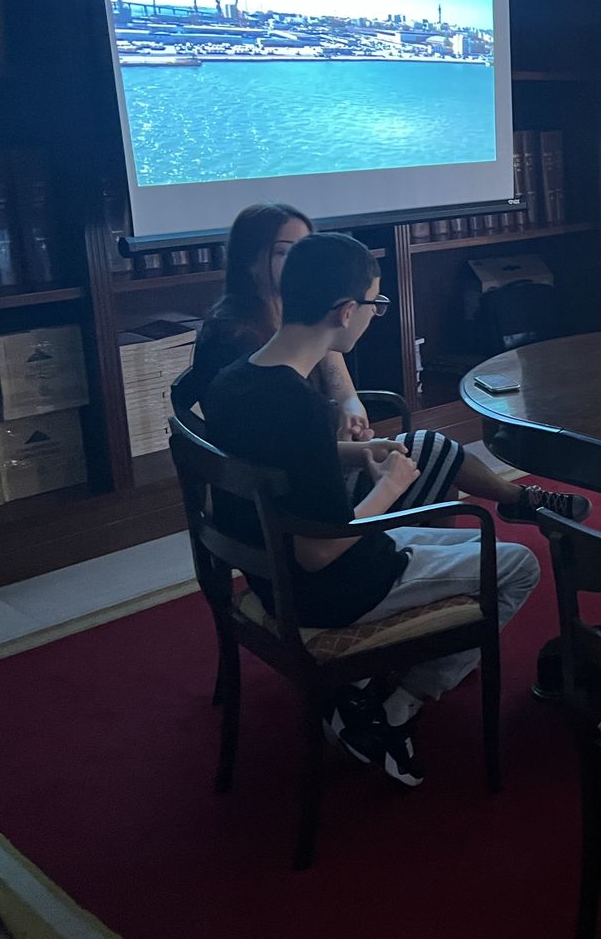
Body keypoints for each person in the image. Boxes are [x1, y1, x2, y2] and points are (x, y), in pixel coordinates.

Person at [203, 232, 542, 787]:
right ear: (344, 311)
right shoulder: (303, 407)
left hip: (269, 573)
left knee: (475, 545)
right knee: (519, 564)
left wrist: (359, 452)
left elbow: (278, 460)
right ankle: (391, 707)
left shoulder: (235, 381)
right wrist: (389, 486)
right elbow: (321, 551)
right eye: (375, 304)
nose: (374, 315)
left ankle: (368, 686)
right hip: (336, 588)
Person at [190, 202, 590, 525]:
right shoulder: (235, 338)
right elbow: (278, 446)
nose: (302, 260)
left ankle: (518, 504)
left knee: (420, 450)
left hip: (305, 469)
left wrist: (348, 405)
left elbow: (327, 354)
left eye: (306, 247)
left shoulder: (290, 320)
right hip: (294, 499)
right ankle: (514, 509)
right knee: (428, 455)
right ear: (249, 261)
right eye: (284, 251)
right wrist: (370, 471)